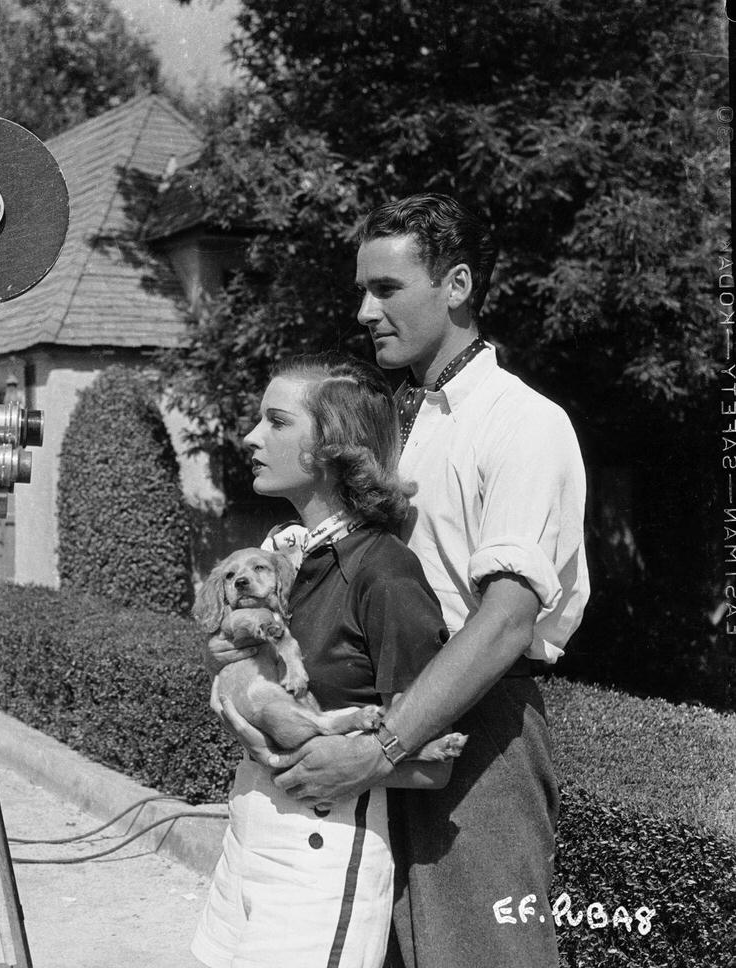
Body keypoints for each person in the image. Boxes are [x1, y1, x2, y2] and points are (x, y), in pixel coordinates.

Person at [221, 194, 588, 968]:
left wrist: (383, 748)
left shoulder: (524, 421)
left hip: (476, 734)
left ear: (457, 286)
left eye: (386, 288)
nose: (365, 310)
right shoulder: (392, 421)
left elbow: (507, 619)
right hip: (378, 722)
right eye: (363, 289)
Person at [191, 354, 455, 968]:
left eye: (277, 421)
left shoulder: (383, 572)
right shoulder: (284, 559)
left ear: (332, 447)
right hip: (247, 827)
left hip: (321, 852)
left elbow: (432, 764)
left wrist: (337, 761)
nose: (251, 436)